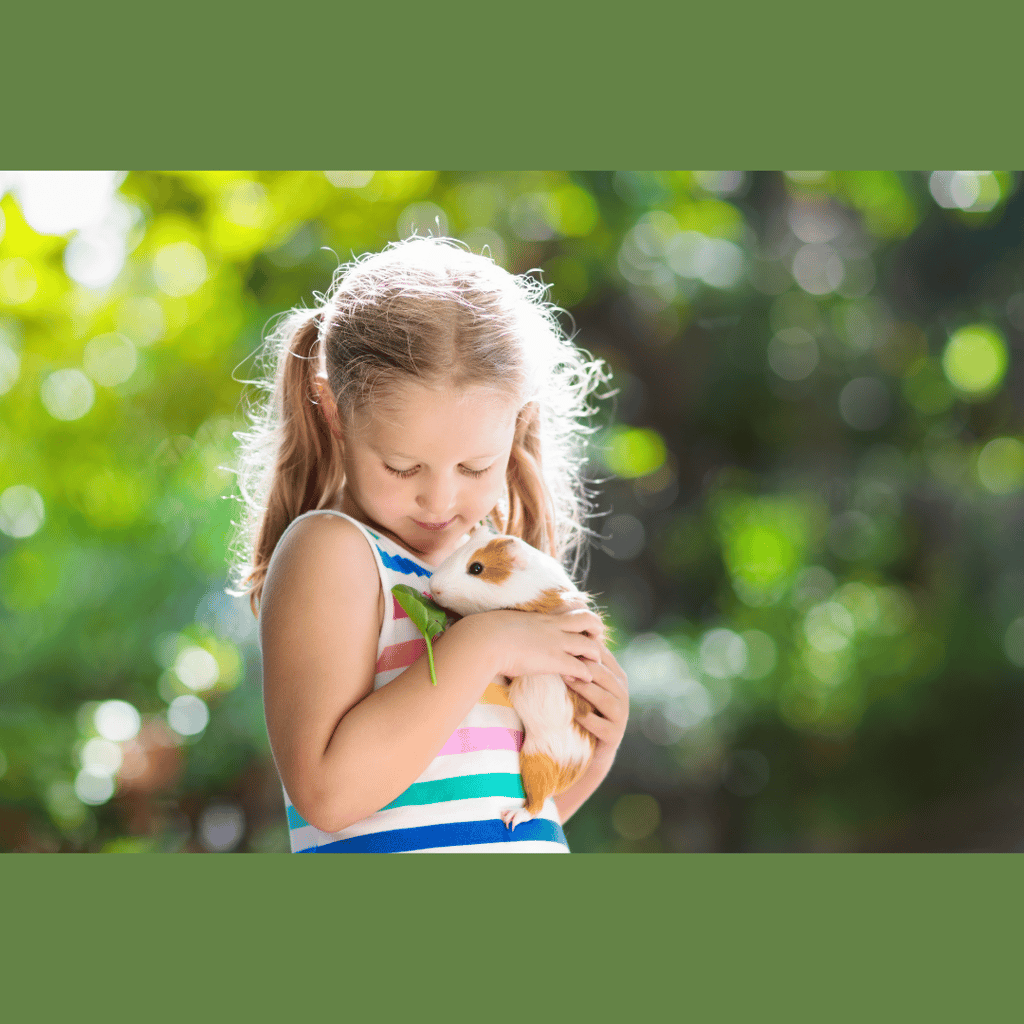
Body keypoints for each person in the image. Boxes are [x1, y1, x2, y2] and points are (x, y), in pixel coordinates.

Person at [229, 236, 628, 852]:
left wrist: (592, 751)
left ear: (518, 421)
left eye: (474, 468)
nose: (440, 502)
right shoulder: (333, 553)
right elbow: (330, 797)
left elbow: (493, 819)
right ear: (336, 414)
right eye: (402, 468)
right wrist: (485, 646)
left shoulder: (491, 570)